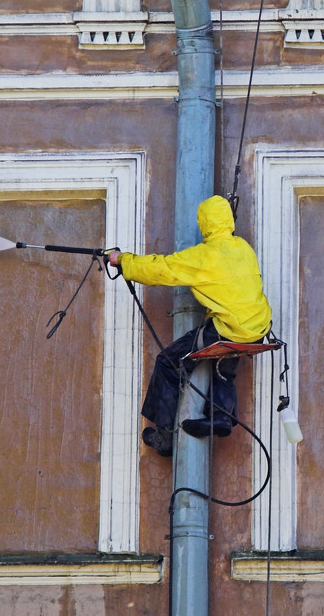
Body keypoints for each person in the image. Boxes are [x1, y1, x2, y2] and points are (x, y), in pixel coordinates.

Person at [107, 195, 272, 457]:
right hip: (257, 330)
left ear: (203, 223)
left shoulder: (204, 256)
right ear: (228, 220)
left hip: (230, 328)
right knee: (223, 365)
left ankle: (164, 437)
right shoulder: (243, 247)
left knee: (168, 363)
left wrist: (122, 260)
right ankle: (220, 417)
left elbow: (160, 268)